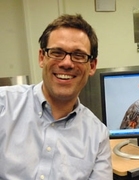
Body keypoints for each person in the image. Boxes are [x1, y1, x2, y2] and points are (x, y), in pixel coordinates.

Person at [0, 14, 112, 179]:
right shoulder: (4, 105)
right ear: (41, 58)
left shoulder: (97, 136)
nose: (66, 63)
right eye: (57, 52)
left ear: (92, 66)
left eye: (79, 55)